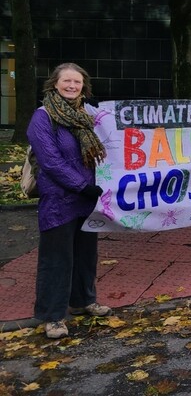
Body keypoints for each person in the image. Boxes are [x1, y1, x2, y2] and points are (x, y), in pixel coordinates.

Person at [26, 62, 110, 339]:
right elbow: (50, 161)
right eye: (67, 82)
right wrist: (81, 185)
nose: (72, 86)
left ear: (83, 86)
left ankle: (83, 300)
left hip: (86, 198)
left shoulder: (86, 115)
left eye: (77, 82)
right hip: (59, 199)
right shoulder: (43, 117)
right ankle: (53, 316)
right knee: (57, 258)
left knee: (86, 254)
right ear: (54, 84)